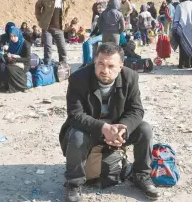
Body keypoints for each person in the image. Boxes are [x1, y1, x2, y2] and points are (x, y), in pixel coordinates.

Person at [60, 42, 161, 202]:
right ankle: (73, 183)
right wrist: (103, 128)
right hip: (90, 130)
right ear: (95, 62)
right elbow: (75, 115)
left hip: (117, 130)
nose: (104, 70)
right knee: (77, 136)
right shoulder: (78, 79)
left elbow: (136, 110)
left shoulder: (130, 77)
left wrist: (123, 129)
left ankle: (141, 175)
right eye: (100, 64)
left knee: (145, 130)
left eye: (111, 66)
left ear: (121, 66)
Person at [35, 0, 70, 65]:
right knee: (48, 50)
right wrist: (40, 19)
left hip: (59, 29)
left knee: (62, 49)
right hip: (47, 28)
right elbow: (37, 6)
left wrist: (65, 19)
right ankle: (47, 68)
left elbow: (67, 9)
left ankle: (63, 67)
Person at [0, 27, 31, 93]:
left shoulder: (26, 44)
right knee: (1, 65)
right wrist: (8, 56)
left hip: (24, 64)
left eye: (15, 36)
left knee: (10, 68)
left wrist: (16, 59)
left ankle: (22, 87)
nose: (13, 38)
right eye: (11, 36)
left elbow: (27, 59)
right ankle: (6, 85)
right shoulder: (12, 44)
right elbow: (9, 53)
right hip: (13, 62)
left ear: (18, 35)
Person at [171, 0, 192, 69]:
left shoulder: (180, 6)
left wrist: (175, 30)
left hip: (182, 29)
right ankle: (188, 63)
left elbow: (176, 19)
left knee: (182, 47)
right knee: (191, 45)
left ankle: (182, 64)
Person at [81, 2, 106, 67]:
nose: (99, 9)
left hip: (105, 35)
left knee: (89, 43)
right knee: (84, 44)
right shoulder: (100, 16)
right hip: (99, 34)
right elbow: (96, 28)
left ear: (104, 8)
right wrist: (90, 35)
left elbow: (102, 30)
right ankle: (84, 62)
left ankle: (89, 62)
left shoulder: (106, 16)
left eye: (101, 7)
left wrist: (94, 36)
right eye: (98, 8)